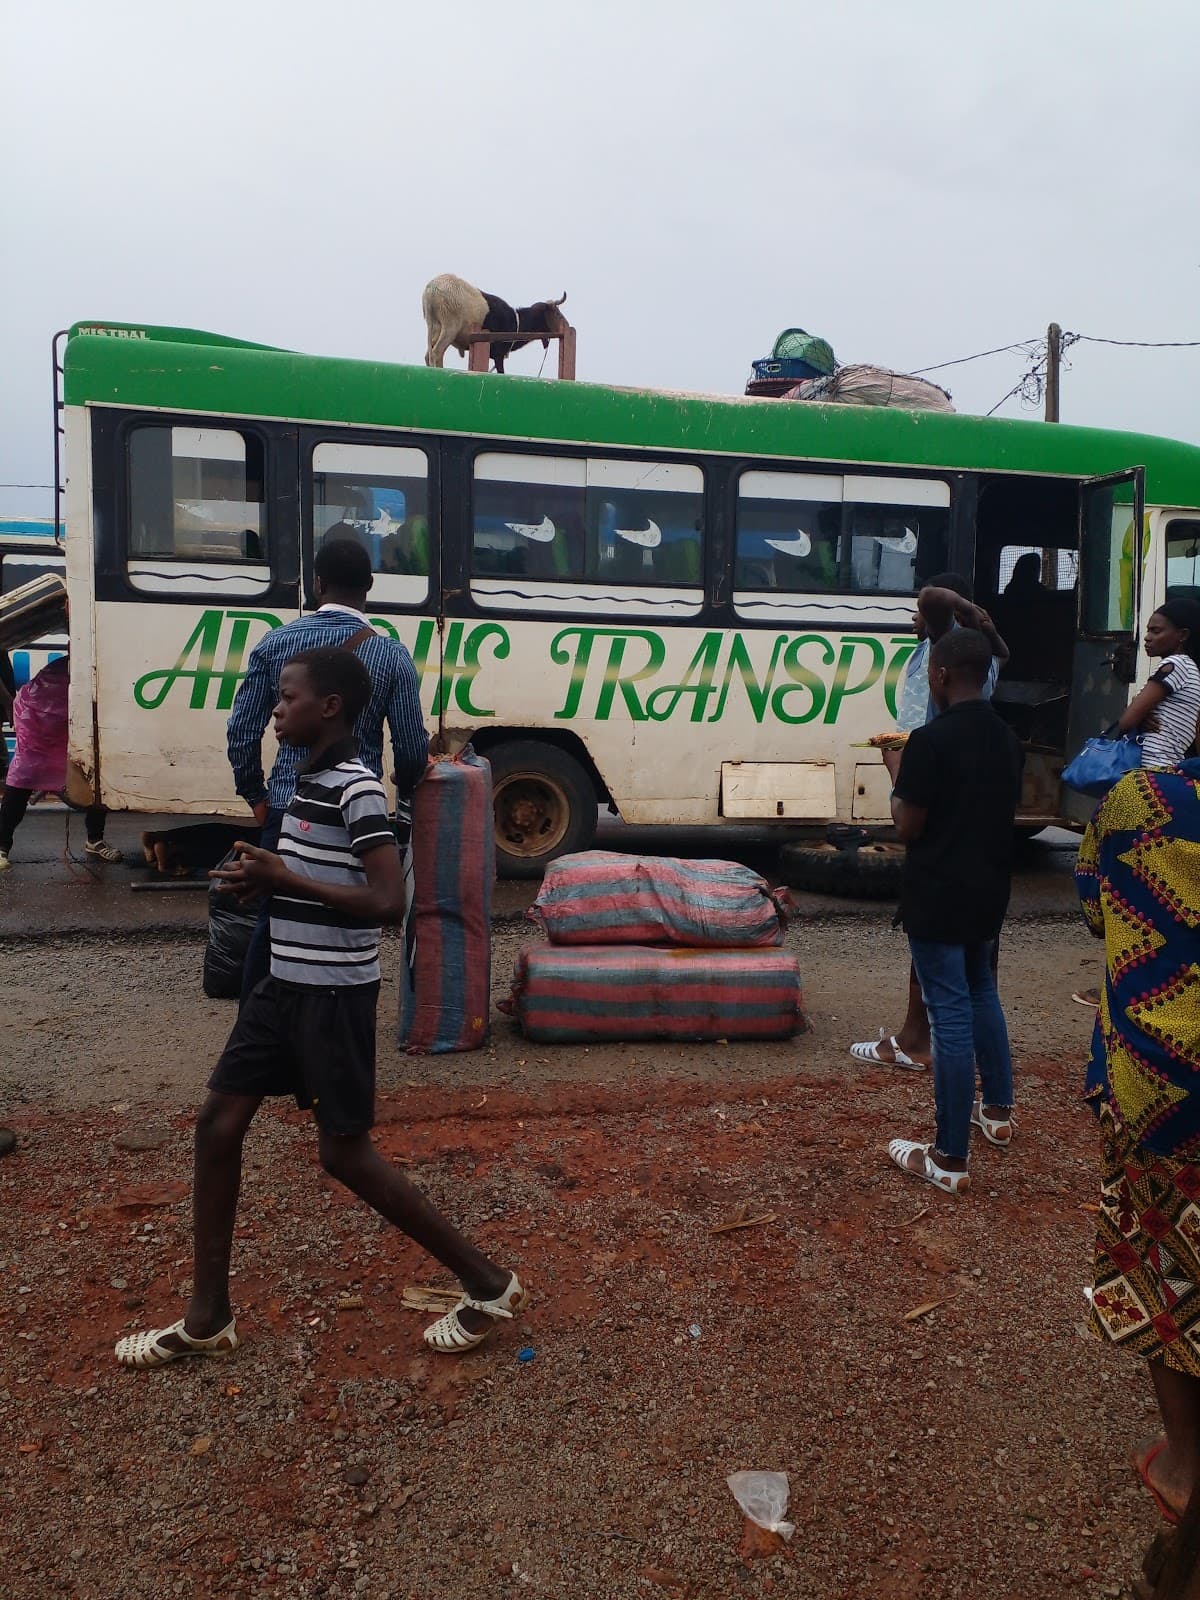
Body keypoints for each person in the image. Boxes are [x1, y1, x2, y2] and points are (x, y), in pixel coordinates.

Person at [115, 648, 523, 1370]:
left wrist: (286, 877)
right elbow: (310, 878)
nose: (275, 709)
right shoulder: (304, 778)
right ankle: (208, 1315)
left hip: (332, 994)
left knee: (344, 1154)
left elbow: (386, 902)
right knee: (218, 1123)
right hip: (278, 984)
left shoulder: (357, 787)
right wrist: (262, 881)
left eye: (288, 697)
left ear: (329, 706)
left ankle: (487, 1281)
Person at [1076, 760, 1200, 1531]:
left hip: (1160, 1086)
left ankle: (1185, 1464)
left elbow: (1095, 904)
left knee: (1166, 1264)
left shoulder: (1142, 799)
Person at [226, 537, 428, 1003]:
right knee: (344, 916)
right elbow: (412, 748)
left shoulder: (277, 643)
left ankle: (263, 1023)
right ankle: (334, 1012)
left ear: (317, 584)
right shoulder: (391, 654)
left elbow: (241, 730)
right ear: (370, 587)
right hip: (358, 813)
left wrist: (257, 796)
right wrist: (405, 797)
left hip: (288, 805)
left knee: (274, 914)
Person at [881, 628, 1023, 1195]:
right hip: (989, 890)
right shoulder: (1008, 737)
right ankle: (998, 1112)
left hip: (938, 893)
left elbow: (906, 824)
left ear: (939, 675)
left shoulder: (929, 742)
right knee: (982, 992)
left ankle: (948, 1156)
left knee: (950, 1014)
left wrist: (896, 771)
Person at [851, 575, 1011, 1069]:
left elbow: (906, 825)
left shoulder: (952, 648)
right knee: (976, 965)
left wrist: (896, 760)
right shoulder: (992, 717)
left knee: (937, 935)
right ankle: (990, 1086)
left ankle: (921, 1046)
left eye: (920, 612)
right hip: (968, 815)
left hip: (931, 781)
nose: (914, 616)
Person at [0, 655, 122, 871]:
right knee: (18, 788)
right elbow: (29, 704)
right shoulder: (54, 672)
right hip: (38, 739)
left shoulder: (99, 665)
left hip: (69, 740)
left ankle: (94, 840)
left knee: (96, 784)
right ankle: (1, 846)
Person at [1117, 599, 1200, 770]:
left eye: (1156, 631)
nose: (1147, 637)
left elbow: (1126, 722)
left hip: (1148, 768)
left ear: (1183, 635)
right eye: (1148, 631)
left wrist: (1137, 715)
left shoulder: (1175, 665)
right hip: (1165, 767)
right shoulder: (1189, 668)